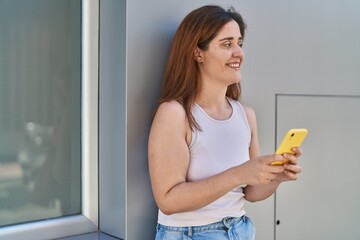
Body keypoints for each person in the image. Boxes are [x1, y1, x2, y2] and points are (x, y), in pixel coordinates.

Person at [148, 5, 302, 240]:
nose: (239, 52)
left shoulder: (245, 114)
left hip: (240, 230)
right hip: (190, 234)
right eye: (227, 44)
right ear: (198, 53)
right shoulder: (174, 113)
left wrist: (276, 175)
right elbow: (168, 199)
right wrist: (239, 174)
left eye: (239, 42)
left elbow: (250, 192)